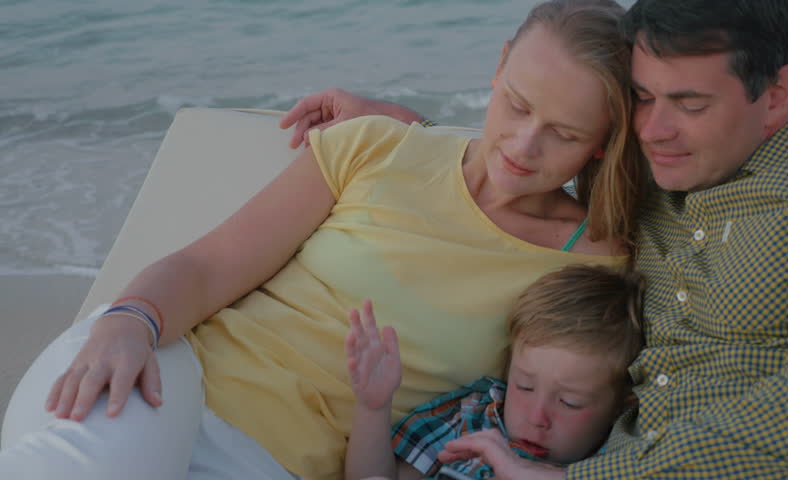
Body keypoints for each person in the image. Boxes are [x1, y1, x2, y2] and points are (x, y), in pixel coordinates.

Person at [0, 1, 644, 479]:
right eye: (519, 105)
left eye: (563, 133)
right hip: (165, 371)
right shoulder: (375, 145)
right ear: (500, 64)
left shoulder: (594, 261)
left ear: (603, 138)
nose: (524, 146)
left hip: (277, 465)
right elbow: (207, 266)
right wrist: (129, 319)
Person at [280, 0, 788, 478]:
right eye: (641, 98)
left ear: (777, 95)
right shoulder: (651, 188)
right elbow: (541, 140)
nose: (654, 129)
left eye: (689, 104)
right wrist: (412, 132)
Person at [344, 264, 643, 480]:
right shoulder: (473, 415)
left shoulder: (620, 463)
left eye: (570, 402)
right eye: (524, 386)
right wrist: (374, 408)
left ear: (620, 407)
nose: (536, 417)